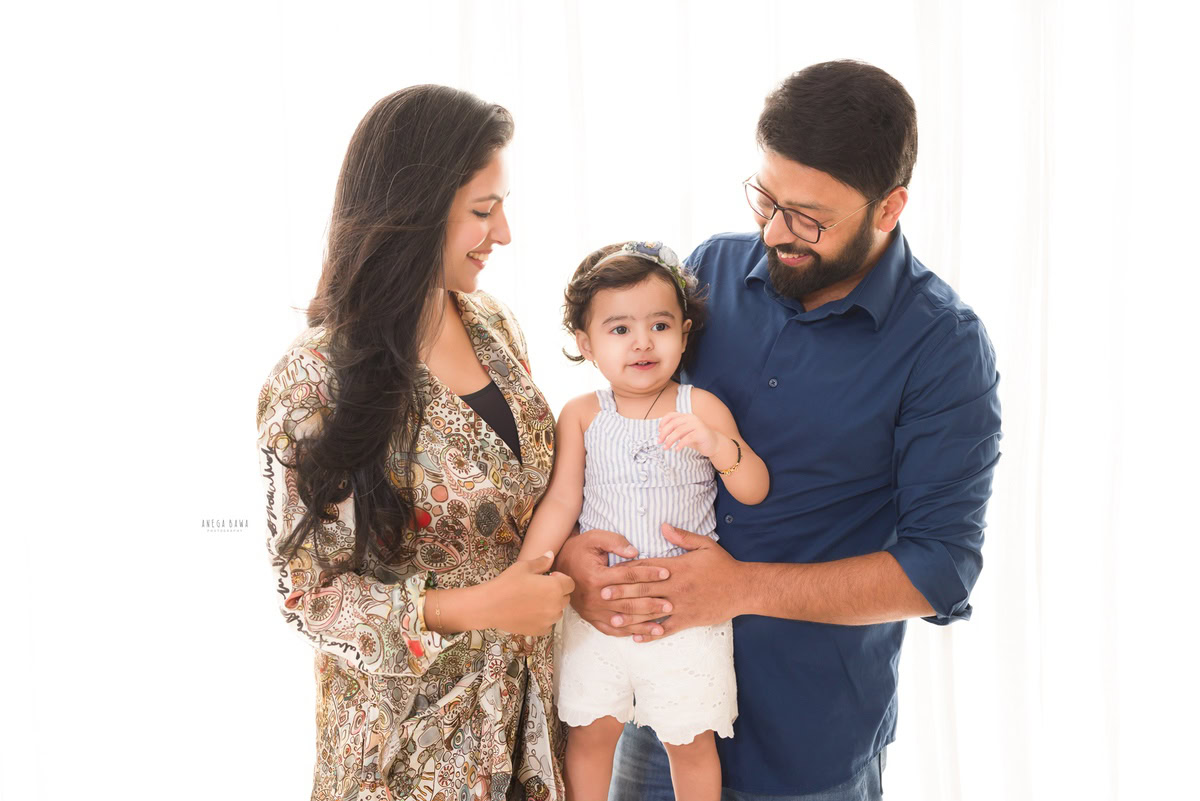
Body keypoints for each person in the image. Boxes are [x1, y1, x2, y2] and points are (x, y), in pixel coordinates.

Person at [554, 61, 1003, 801]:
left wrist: (737, 589)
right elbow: (619, 426)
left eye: (808, 217)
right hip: (657, 716)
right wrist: (576, 553)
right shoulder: (710, 272)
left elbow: (941, 569)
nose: (772, 230)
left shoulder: (944, 347)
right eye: (767, 198)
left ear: (889, 207)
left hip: (806, 746)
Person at [255, 85, 574, 801]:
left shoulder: (495, 325)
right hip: (403, 752)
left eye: (503, 206)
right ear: (415, 211)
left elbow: (533, 498)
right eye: (483, 212)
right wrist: (483, 604)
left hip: (525, 722)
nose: (505, 233)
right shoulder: (314, 377)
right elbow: (307, 593)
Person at [516, 241, 769, 800]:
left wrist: (718, 446)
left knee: (692, 741)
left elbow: (753, 488)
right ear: (586, 343)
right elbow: (562, 500)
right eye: (619, 329)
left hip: (685, 612)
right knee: (588, 733)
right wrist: (529, 567)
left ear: (684, 330)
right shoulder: (583, 414)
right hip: (599, 610)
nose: (642, 342)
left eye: (659, 324)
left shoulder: (699, 407)